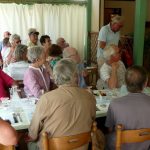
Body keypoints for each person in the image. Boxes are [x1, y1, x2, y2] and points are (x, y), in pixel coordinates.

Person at [27, 58, 96, 150]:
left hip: (52, 147)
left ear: (55, 77)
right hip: (82, 146)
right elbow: (92, 121)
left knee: (28, 143)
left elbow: (33, 133)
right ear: (76, 76)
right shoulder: (89, 96)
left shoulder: (47, 98)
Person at [105, 66, 150, 150]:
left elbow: (110, 129)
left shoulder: (115, 103)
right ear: (145, 83)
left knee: (104, 137)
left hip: (120, 146)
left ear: (125, 83)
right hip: (145, 146)